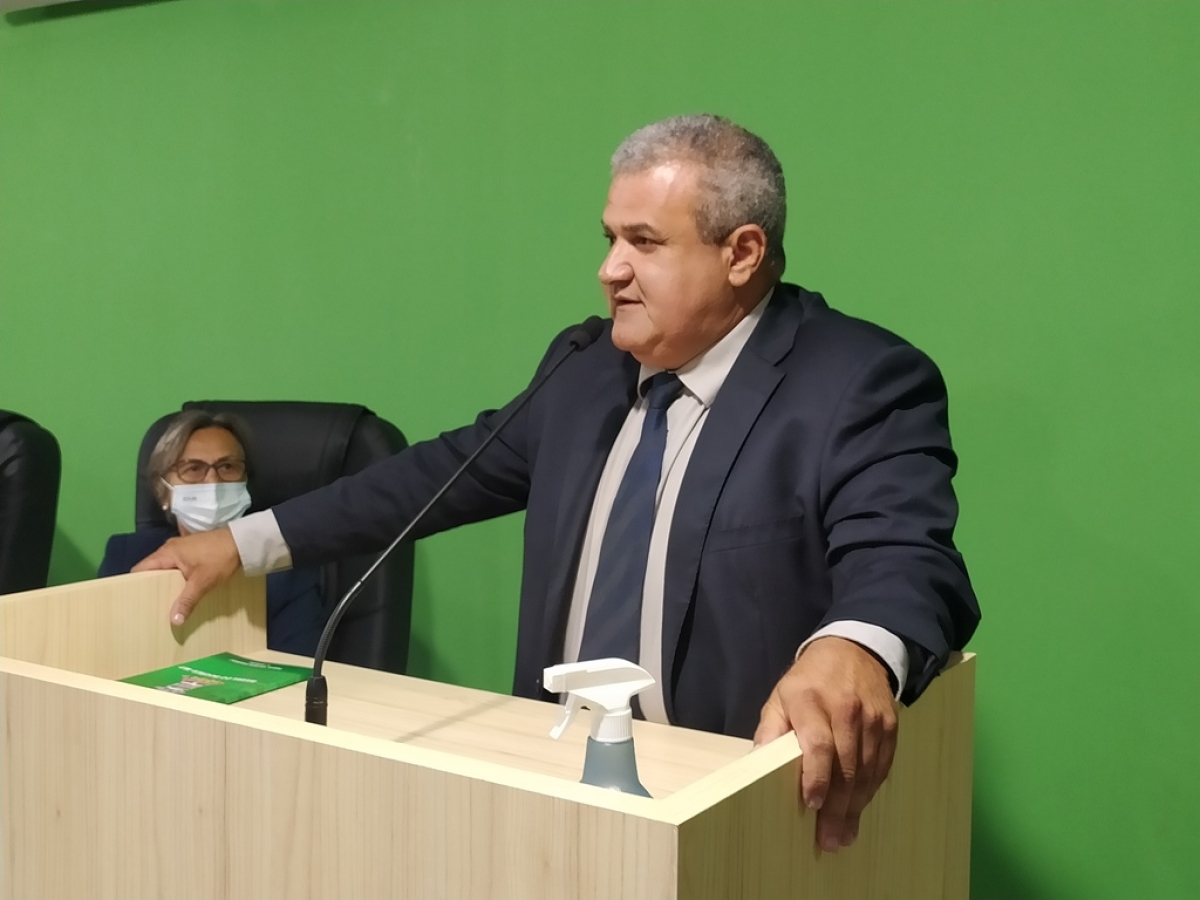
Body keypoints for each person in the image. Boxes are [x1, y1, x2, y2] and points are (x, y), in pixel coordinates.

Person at [136, 114, 980, 852]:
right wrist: (239, 543)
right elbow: (430, 478)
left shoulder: (856, 380)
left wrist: (854, 646)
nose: (610, 270)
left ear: (742, 253)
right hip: (548, 784)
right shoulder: (582, 370)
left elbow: (905, 555)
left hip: (729, 810)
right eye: (609, 238)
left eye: (644, 243)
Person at [102, 410, 326, 656]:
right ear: (162, 489)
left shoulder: (287, 571)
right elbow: (100, 650)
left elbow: (297, 668)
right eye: (193, 468)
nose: (212, 482)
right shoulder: (125, 554)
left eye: (227, 467)